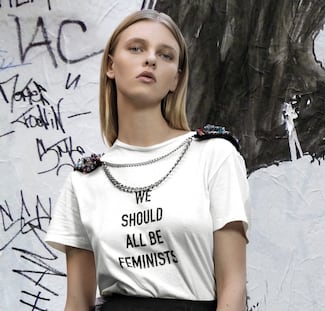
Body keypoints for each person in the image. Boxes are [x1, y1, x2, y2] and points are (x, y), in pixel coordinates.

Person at [45, 9, 250, 311]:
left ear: (175, 80)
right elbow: (76, 302)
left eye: (166, 55)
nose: (151, 59)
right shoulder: (84, 180)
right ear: (111, 66)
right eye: (137, 48)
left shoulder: (214, 155)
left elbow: (233, 287)